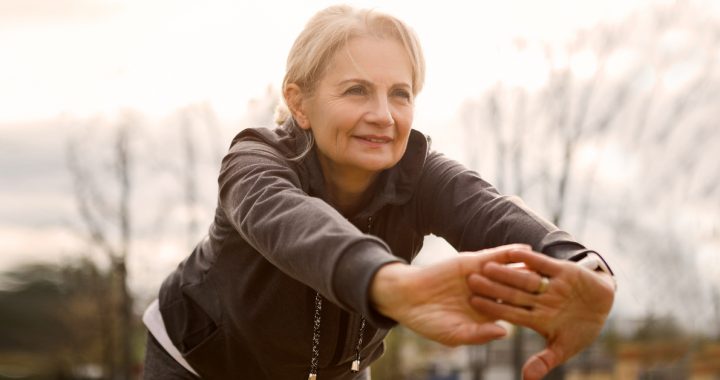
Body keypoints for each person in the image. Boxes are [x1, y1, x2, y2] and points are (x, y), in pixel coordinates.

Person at [142, 5, 616, 380]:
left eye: (400, 94)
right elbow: (297, 227)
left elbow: (491, 213)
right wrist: (392, 284)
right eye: (356, 90)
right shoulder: (254, 161)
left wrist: (586, 270)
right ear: (298, 102)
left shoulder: (422, 174)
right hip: (200, 363)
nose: (384, 116)